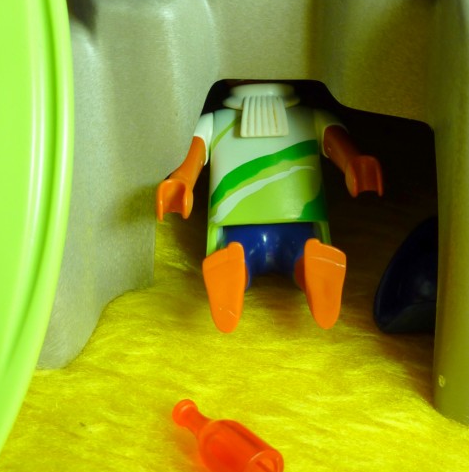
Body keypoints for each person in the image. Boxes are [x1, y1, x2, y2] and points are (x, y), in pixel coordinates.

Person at [156, 82, 383, 332]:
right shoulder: (307, 117)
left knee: (245, 252)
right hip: (293, 221)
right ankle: (298, 266)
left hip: (244, 221)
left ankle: (250, 271)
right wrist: (182, 182)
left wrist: (353, 164)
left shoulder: (216, 123)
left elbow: (334, 142)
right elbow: (195, 156)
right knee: (292, 250)